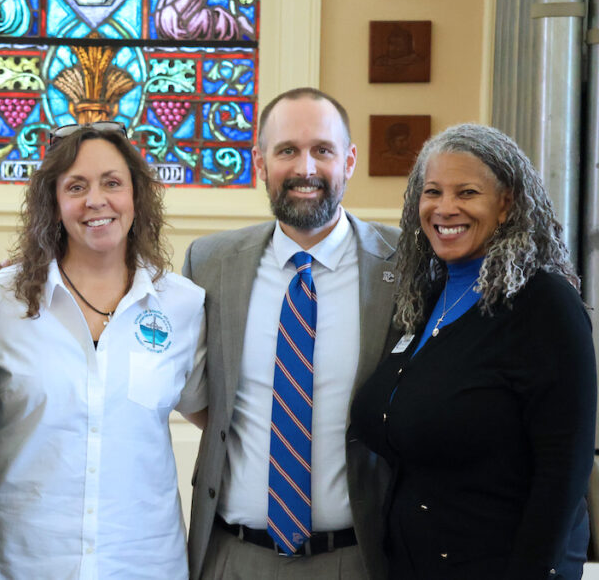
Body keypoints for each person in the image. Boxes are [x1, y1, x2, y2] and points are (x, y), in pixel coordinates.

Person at [349, 123, 596, 579]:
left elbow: (564, 472)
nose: (445, 208)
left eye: (466, 192)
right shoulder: (424, 299)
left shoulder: (544, 303)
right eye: (432, 192)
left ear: (506, 204)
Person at [183, 87, 399, 580]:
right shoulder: (210, 263)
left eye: (322, 150)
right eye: (287, 151)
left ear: (349, 161)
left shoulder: (407, 263)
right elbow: (202, 398)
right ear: (260, 162)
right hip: (232, 556)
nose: (305, 168)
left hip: (358, 557)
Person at [0, 122, 206, 579]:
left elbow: (214, 417)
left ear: (136, 197)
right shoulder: (0, 301)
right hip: (23, 563)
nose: (95, 200)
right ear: (54, 203)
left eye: (112, 183)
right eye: (76, 186)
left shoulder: (182, 304)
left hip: (143, 562)